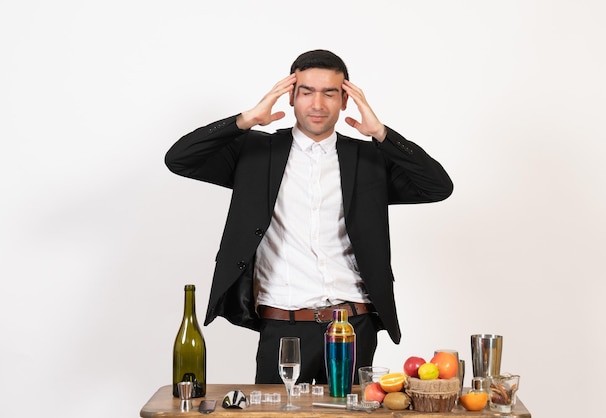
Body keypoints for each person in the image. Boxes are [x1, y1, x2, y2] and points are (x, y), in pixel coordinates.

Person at [165, 49, 453, 384]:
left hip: (354, 327)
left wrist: (382, 134)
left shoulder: (369, 160)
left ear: (345, 100)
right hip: (284, 328)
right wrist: (247, 119)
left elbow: (437, 186)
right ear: (291, 96)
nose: (317, 104)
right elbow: (179, 159)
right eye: (306, 92)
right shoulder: (255, 154)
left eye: (330, 93)